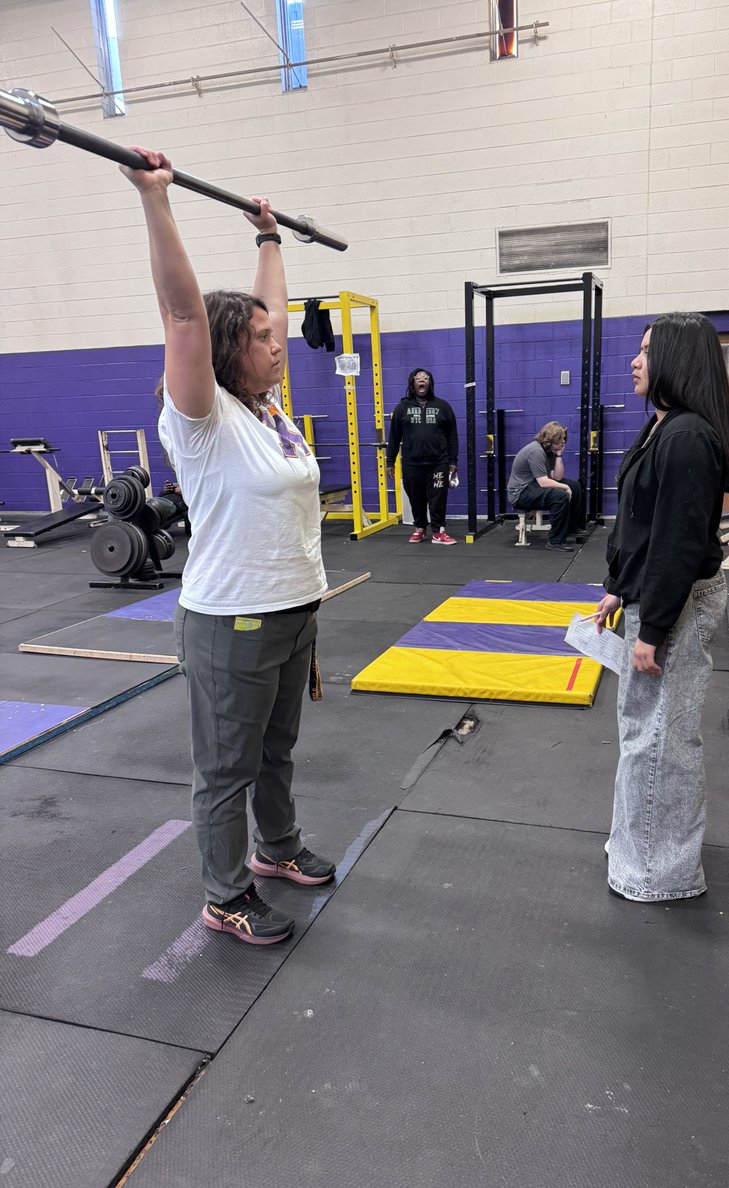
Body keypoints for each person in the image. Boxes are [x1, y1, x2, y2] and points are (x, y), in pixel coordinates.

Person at [121, 147, 335, 947]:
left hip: (292, 611)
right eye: (256, 336)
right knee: (226, 770)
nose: (275, 342)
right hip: (231, 621)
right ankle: (225, 892)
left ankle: (276, 850)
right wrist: (156, 199)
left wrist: (270, 237)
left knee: (277, 750)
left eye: (269, 332)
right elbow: (181, 315)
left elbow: (268, 311)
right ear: (221, 350)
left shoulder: (269, 411)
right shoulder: (203, 420)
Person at [592, 313, 729, 903]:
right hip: (650, 596)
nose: (635, 360)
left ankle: (659, 871)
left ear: (676, 361)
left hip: (672, 606)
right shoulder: (663, 428)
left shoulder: (685, 436)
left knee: (662, 742)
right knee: (642, 733)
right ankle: (640, 842)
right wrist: (616, 584)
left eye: (648, 350)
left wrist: (651, 627)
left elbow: (678, 544)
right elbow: (641, 525)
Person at [387, 369, 459, 545]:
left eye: (425, 378)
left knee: (438, 498)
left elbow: (452, 436)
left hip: (438, 462)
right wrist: (390, 461)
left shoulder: (443, 407)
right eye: (418, 378)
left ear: (430, 383)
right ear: (412, 383)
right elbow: (394, 437)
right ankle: (420, 528)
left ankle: (438, 531)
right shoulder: (402, 408)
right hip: (412, 463)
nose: (422, 381)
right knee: (415, 497)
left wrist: (452, 461)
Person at [506, 422, 583, 552]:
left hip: (533, 487)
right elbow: (544, 482)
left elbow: (557, 477)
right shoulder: (535, 451)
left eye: (564, 438)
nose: (563, 442)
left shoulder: (548, 451)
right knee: (560, 496)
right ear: (550, 440)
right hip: (520, 493)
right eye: (560, 439)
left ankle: (571, 528)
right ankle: (555, 541)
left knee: (575, 486)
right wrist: (565, 487)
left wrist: (559, 455)